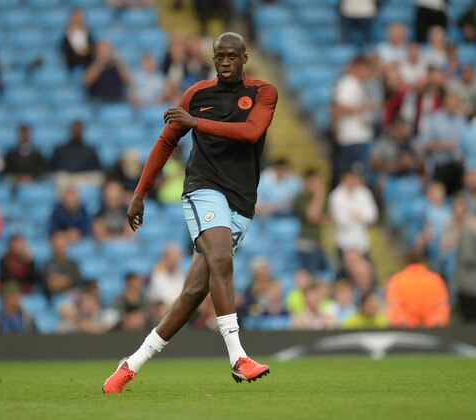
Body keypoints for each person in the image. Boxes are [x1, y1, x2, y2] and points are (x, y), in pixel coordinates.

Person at [102, 33, 277, 393]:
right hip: (203, 188)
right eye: (219, 57)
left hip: (241, 201)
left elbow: (251, 132)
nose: (226, 62)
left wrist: (196, 123)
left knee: (194, 292)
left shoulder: (264, 93)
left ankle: (131, 363)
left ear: (244, 58)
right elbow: (167, 141)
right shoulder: (196, 95)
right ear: (213, 59)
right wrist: (140, 192)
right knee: (221, 259)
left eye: (232, 56)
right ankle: (238, 357)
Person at [332, 56, 378, 183]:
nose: (368, 73)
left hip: (361, 135)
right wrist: (365, 107)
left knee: (362, 174)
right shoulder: (348, 83)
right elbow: (341, 108)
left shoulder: (361, 85)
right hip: (351, 138)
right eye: (367, 69)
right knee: (352, 175)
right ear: (359, 67)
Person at [386, 247, 450, 327]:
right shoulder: (436, 280)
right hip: (433, 331)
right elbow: (442, 308)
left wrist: (412, 323)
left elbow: (395, 310)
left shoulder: (397, 281)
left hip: (406, 332)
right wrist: (430, 323)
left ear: (405, 261)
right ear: (424, 261)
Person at [419, 91, 467, 196]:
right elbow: (425, 144)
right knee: (440, 197)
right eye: (450, 104)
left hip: (458, 165)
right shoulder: (434, 119)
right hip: (440, 166)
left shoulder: (461, 119)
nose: (453, 107)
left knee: (458, 197)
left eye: (455, 104)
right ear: (445, 103)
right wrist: (444, 146)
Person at [328, 168, 378, 256]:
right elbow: (341, 220)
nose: (353, 180)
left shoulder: (364, 192)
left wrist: (354, 215)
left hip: (362, 243)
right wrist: (361, 215)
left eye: (355, 176)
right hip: (344, 243)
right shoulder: (336, 196)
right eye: (350, 177)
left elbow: (373, 216)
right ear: (344, 177)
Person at [293, 169, 329, 274]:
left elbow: (327, 219)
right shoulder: (301, 197)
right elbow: (311, 216)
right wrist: (319, 196)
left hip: (320, 244)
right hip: (305, 244)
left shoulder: (323, 200)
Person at [43, 232, 83, 298]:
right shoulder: (47, 264)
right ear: (53, 246)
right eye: (58, 246)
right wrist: (65, 281)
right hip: (52, 299)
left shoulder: (73, 265)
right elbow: (51, 285)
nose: (60, 249)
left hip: (71, 299)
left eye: (62, 246)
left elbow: (76, 283)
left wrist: (58, 280)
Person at [147, 243, 185, 307]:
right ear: (164, 257)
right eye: (172, 257)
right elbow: (159, 294)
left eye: (176, 257)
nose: (175, 260)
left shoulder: (181, 272)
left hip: (177, 307)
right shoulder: (157, 271)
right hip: (160, 307)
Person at [453, 214, 476, 321]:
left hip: (471, 285)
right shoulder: (468, 230)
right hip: (468, 285)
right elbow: (467, 257)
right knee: (469, 322)